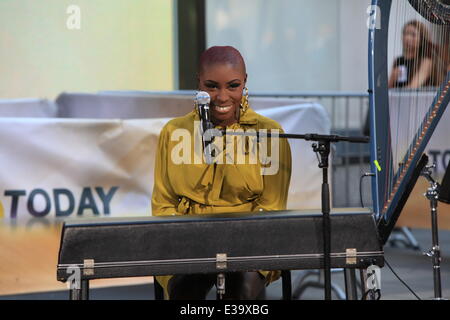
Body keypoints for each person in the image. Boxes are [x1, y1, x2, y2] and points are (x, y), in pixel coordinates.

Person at [151, 46, 292, 299]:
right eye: (212, 86)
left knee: (242, 289)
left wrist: (238, 249)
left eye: (233, 86)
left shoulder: (269, 133)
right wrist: (188, 245)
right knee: (185, 289)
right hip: (188, 241)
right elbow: (163, 204)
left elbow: (272, 208)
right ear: (199, 83)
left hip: (251, 242)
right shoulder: (174, 132)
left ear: (245, 83)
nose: (222, 96)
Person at [388, 20, 438, 89]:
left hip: (418, 99)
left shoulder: (426, 62)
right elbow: (387, 90)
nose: (407, 38)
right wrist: (393, 78)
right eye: (405, 34)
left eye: (413, 35)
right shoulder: (398, 60)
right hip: (397, 98)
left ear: (421, 40)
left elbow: (412, 88)